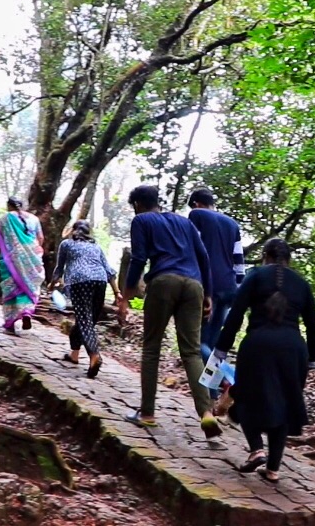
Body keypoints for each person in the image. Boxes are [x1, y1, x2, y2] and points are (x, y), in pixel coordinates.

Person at [117, 184, 221, 439]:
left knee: (151, 348)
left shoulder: (141, 220)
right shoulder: (184, 222)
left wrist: (125, 296)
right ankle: (206, 413)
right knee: (192, 352)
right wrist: (208, 293)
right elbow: (204, 257)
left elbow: (139, 259)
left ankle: (147, 413)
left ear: (137, 205)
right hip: (194, 285)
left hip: (164, 282)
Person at [212, 238, 315, 483]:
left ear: (265, 256)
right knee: (285, 403)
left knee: (246, 396)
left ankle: (256, 450)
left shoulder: (255, 276)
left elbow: (236, 314)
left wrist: (221, 348)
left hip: (258, 346)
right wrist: (312, 358)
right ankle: (273, 470)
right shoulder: (301, 283)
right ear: (288, 259)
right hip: (294, 349)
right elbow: (312, 324)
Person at [187, 188, 245, 404]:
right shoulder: (232, 224)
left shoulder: (196, 215)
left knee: (198, 343)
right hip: (229, 288)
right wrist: (238, 290)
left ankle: (228, 378)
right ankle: (212, 394)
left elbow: (192, 249)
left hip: (207, 287)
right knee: (212, 344)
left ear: (196, 204)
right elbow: (239, 260)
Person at [47, 220, 124, 378]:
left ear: (73, 230)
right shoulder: (96, 247)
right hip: (100, 281)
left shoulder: (66, 244)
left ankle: (94, 356)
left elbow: (59, 268)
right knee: (87, 320)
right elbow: (109, 271)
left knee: (85, 320)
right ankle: (74, 354)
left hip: (79, 281)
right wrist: (117, 292)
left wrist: (52, 284)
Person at [0, 197, 46, 334]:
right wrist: (32, 252)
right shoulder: (34, 219)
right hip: (32, 258)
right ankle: (26, 312)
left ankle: (11, 323)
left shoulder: (6, 218)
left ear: (9, 205)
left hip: (12, 258)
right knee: (28, 286)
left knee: (11, 287)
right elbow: (41, 238)